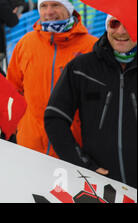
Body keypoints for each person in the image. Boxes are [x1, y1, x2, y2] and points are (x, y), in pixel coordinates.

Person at [7, 0, 98, 158]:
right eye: (44, 6)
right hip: (31, 145)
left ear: (69, 8)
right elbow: (13, 90)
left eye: (55, 5)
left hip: (74, 149)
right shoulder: (26, 43)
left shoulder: (92, 47)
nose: (49, 12)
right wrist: (19, 126)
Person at [44, 15, 137, 188]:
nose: (121, 31)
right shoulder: (82, 67)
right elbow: (55, 118)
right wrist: (82, 165)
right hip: (101, 185)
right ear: (107, 25)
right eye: (115, 23)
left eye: (130, 24)